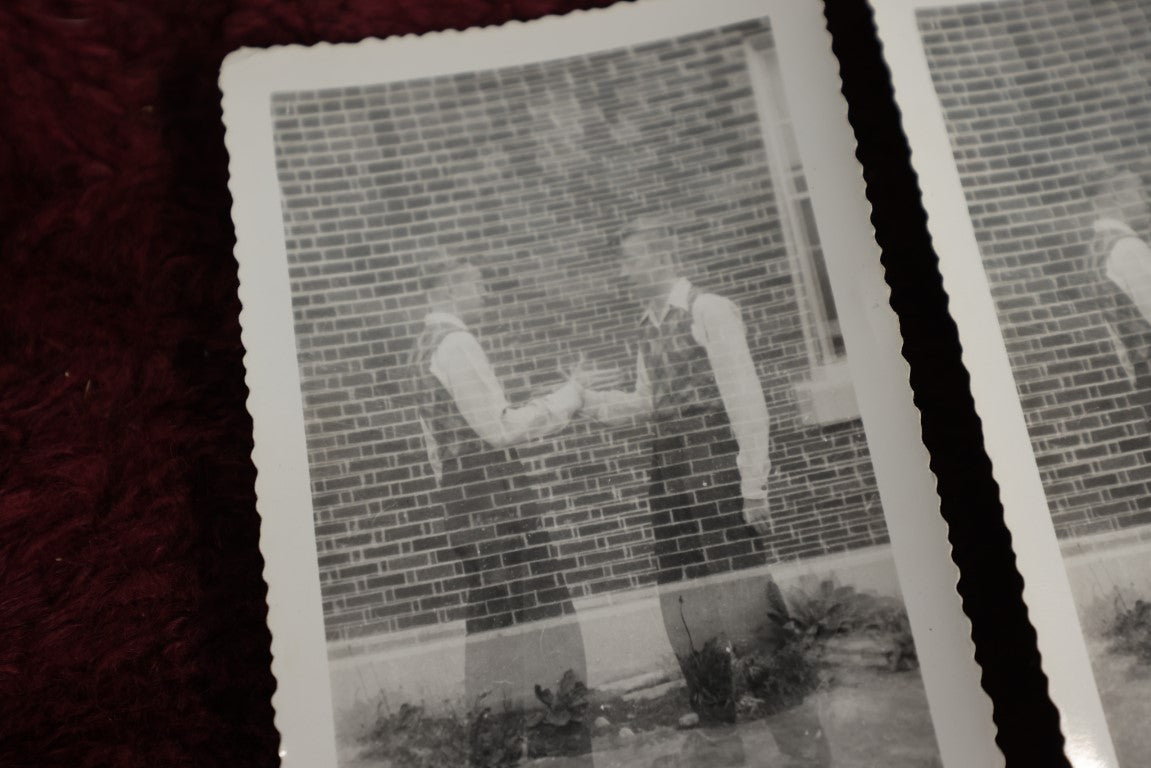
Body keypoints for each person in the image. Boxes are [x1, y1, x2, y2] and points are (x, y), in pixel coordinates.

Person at [581, 217, 830, 767]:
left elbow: (745, 400)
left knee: (749, 611)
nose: (623, 271)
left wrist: (754, 486)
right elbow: (649, 401)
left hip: (714, 466)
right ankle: (722, 744)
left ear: (664, 256)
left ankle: (807, 751)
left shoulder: (709, 311)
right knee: (687, 609)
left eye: (631, 259)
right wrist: (588, 401)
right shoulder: (647, 325)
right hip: (668, 473)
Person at [405, 254, 614, 764]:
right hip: (501, 509)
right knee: (548, 624)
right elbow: (499, 429)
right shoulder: (456, 343)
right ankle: (565, 750)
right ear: (451, 287)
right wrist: (570, 395)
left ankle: (496, 752)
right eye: (477, 284)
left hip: (465, 508)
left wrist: (459, 505)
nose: (484, 294)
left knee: (491, 632)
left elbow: (437, 452)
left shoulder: (419, 348)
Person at [1085, 164, 1151, 391]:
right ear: (1117, 197)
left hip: (1138, 372)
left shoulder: (1098, 247)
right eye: (1141, 191)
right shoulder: (1128, 247)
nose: (1147, 198)